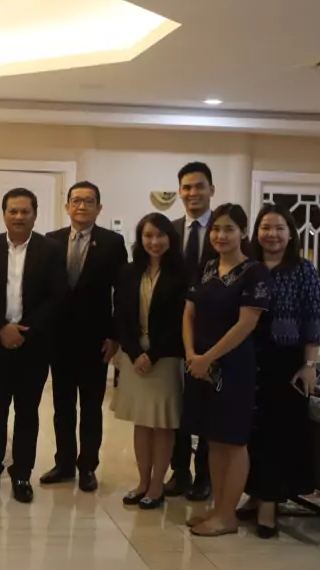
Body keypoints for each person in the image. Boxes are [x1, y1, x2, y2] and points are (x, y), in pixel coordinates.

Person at [0, 188, 67, 503]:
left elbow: (57, 296)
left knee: (27, 411)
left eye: (25, 211)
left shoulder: (51, 250)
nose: (19, 216)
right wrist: (2, 327)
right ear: (4, 214)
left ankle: (22, 473)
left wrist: (25, 331)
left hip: (34, 344)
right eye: (13, 211)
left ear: (35, 215)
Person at [183, 203, 269, 537]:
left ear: (243, 232)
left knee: (232, 440)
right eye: (216, 229)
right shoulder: (205, 267)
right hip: (199, 364)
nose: (221, 235)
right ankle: (219, 508)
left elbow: (247, 323)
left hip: (233, 366)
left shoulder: (255, 272)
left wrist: (208, 357)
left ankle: (227, 515)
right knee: (213, 438)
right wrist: (192, 354)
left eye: (229, 229)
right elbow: (188, 313)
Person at [239, 204, 320, 538]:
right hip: (247, 357)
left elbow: (313, 320)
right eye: (265, 227)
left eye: (279, 228)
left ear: (290, 234)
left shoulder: (303, 270)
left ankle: (269, 506)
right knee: (250, 432)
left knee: (278, 433)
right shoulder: (247, 267)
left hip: (286, 361)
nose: (271, 234)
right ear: (256, 233)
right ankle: (255, 493)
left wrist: (310, 365)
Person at [42, 182, 128, 493]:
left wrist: (115, 336)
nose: (81, 206)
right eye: (76, 201)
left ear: (98, 208)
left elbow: (122, 292)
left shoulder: (112, 242)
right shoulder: (51, 240)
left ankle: (87, 466)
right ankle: (64, 463)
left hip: (96, 340)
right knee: (63, 406)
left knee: (91, 407)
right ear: (67, 206)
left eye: (89, 201)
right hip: (59, 338)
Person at [111, 214, 187, 509]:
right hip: (134, 357)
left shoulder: (182, 273)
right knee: (142, 423)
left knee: (162, 423)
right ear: (140, 239)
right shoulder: (129, 272)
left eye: (160, 235)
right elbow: (121, 314)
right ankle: (142, 481)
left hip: (165, 358)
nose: (154, 242)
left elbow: (180, 321)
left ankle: (157, 485)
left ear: (170, 238)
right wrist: (133, 352)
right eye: (148, 236)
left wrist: (152, 354)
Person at [166, 161, 217, 501]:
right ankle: (180, 471)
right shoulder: (169, 232)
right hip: (173, 333)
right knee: (177, 405)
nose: (193, 193)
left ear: (211, 190)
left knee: (208, 404)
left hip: (213, 333)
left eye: (199, 186)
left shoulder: (223, 229)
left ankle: (205, 475)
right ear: (179, 192)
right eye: (186, 187)